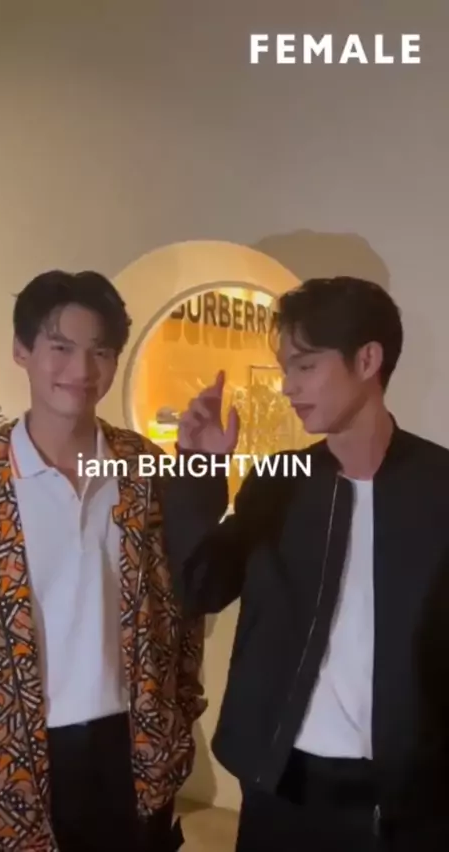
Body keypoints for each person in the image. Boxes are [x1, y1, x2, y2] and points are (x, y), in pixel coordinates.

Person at [161, 276, 449, 850]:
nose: (288, 385)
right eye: (284, 368)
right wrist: (199, 467)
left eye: (305, 366)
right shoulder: (280, 479)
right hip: (280, 781)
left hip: (408, 796)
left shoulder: (439, 486)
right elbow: (197, 588)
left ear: (367, 360)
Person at [0, 270, 206, 852]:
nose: (81, 370)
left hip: (134, 747)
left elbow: (183, 605)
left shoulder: (142, 469)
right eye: (61, 348)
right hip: (11, 757)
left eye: (100, 352)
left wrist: (174, 724)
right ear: (22, 350)